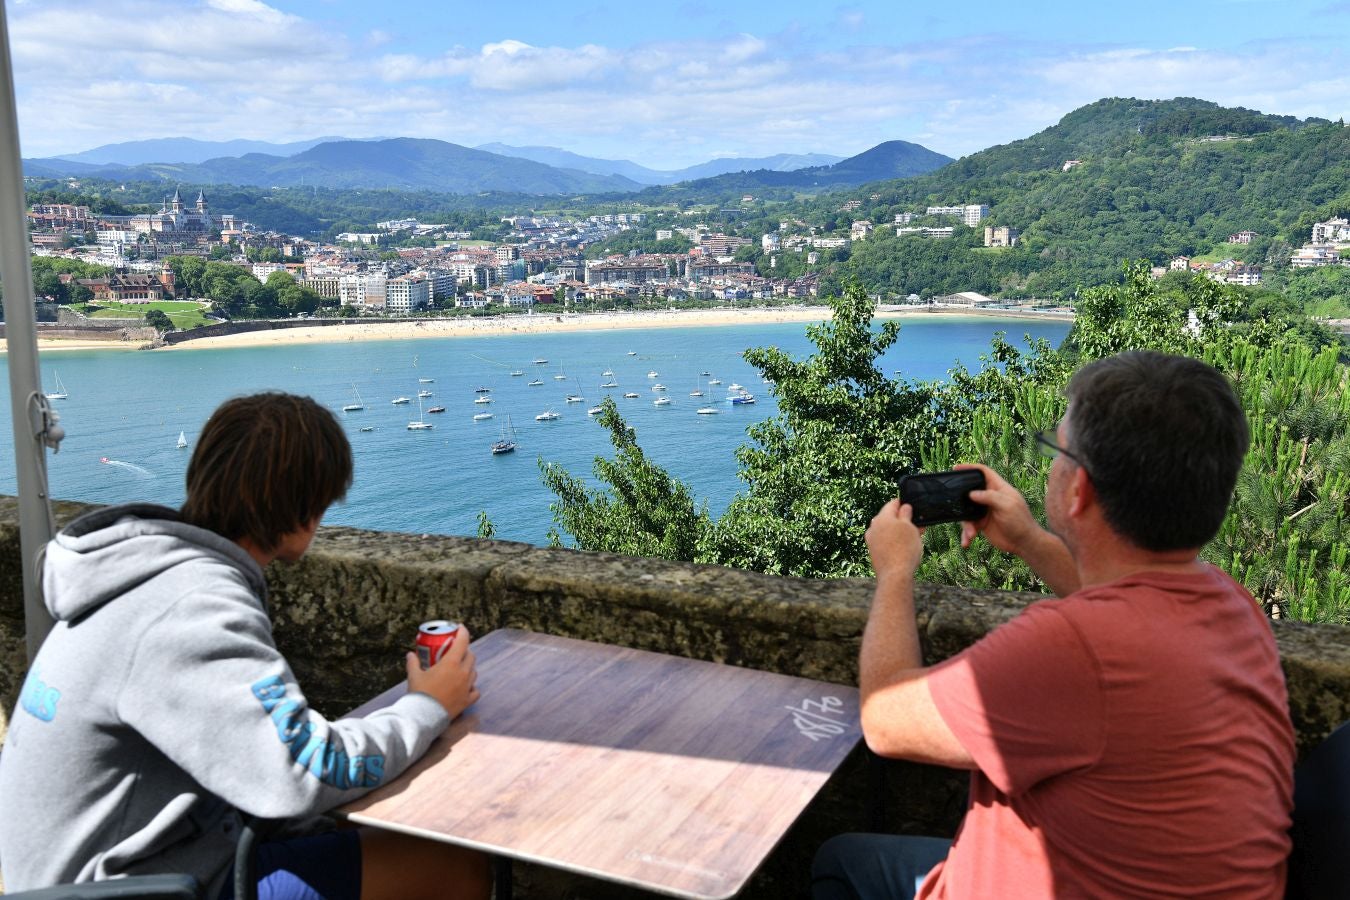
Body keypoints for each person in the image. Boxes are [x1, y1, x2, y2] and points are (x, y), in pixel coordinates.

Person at [812, 351, 1295, 899]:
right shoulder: (1235, 607)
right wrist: (1028, 540)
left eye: (1056, 450)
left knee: (841, 862)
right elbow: (1123, 603)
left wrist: (895, 572)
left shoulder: (1070, 647)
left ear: (1078, 489)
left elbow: (884, 720)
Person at [0, 392, 490, 900]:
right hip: (133, 887)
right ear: (305, 509)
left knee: (353, 835)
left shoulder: (143, 574)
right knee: (453, 866)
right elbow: (302, 770)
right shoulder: (193, 607)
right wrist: (428, 705)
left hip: (89, 871)